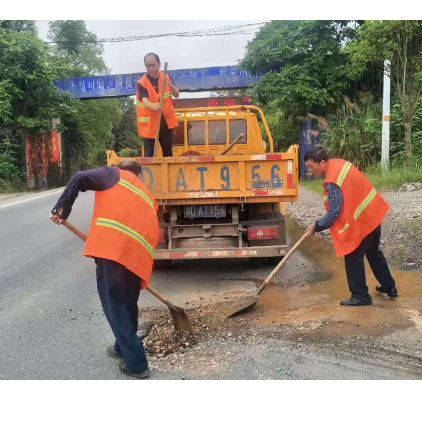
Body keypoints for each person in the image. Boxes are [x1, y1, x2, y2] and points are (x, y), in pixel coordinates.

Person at [50, 161, 159, 379]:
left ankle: (137, 364)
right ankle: (121, 347)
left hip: (113, 253)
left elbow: (80, 177)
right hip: (137, 260)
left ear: (121, 169)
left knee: (115, 306)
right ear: (139, 174)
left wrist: (61, 209)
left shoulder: (114, 174)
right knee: (128, 305)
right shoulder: (147, 195)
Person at [304, 146, 398, 306]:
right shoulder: (340, 164)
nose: (310, 171)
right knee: (373, 252)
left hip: (361, 220)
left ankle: (360, 295)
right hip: (373, 213)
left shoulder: (332, 180)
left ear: (322, 162)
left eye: (311, 167)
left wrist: (316, 226)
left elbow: (334, 212)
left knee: (353, 256)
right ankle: (389, 287)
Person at [136, 52, 180, 157]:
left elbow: (176, 94)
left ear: (159, 64)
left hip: (165, 123)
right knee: (149, 156)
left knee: (168, 154)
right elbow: (145, 100)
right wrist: (154, 106)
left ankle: (169, 173)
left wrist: (172, 86)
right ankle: (149, 174)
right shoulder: (142, 83)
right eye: (148, 66)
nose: (151, 68)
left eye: (153, 65)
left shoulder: (166, 77)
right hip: (150, 127)